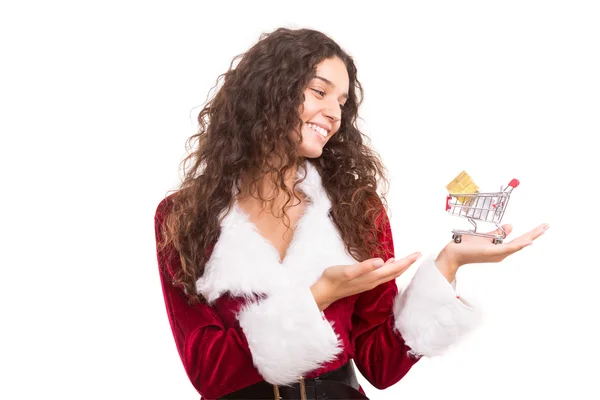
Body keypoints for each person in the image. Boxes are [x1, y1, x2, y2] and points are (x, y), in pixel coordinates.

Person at [153, 27, 549, 400]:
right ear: (267, 92)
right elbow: (206, 369)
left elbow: (381, 364)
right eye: (319, 91)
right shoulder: (184, 215)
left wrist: (449, 263)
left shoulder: (355, 210)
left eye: (341, 102)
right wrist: (319, 296)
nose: (334, 113)